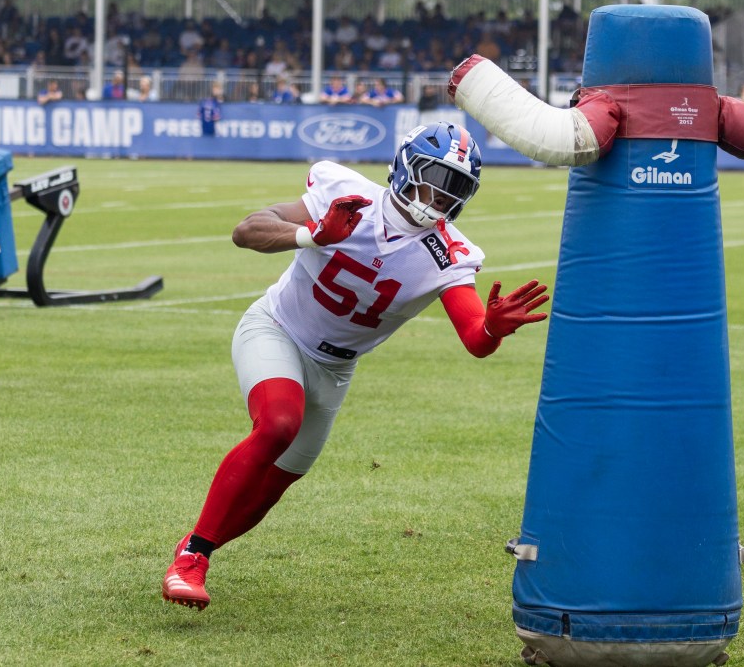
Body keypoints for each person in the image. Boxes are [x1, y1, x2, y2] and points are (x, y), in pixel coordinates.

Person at [161, 121, 550, 611]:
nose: (441, 195)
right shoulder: (345, 195)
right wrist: (310, 234)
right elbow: (246, 231)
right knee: (280, 422)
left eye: (456, 188)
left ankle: (198, 545)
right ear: (407, 166)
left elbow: (474, 339)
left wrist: (492, 327)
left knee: (275, 484)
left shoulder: (449, 254)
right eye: (435, 176)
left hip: (335, 369)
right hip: (277, 328)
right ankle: (191, 560)